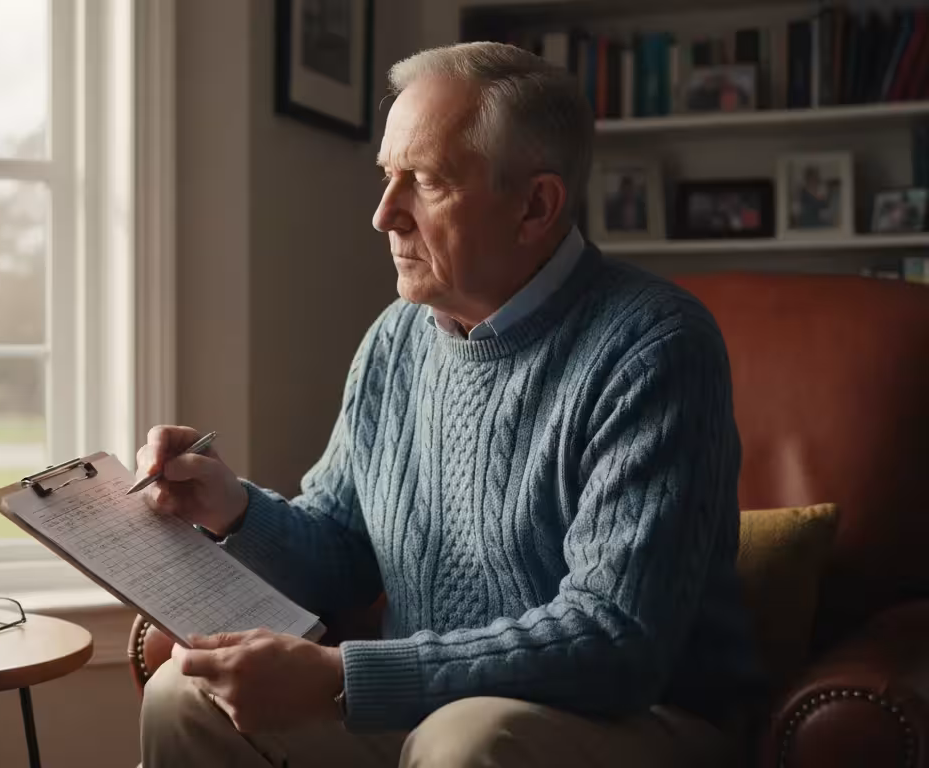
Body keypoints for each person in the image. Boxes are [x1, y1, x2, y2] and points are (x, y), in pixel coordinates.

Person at [138, 41, 761, 768]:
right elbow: (343, 551)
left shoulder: (654, 345)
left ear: (535, 205)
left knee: (466, 741)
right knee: (183, 694)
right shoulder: (397, 337)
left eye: (423, 181)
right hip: (424, 705)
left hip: (639, 716)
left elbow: (615, 637)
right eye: (386, 177)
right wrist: (231, 507)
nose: (383, 215)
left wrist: (345, 676)